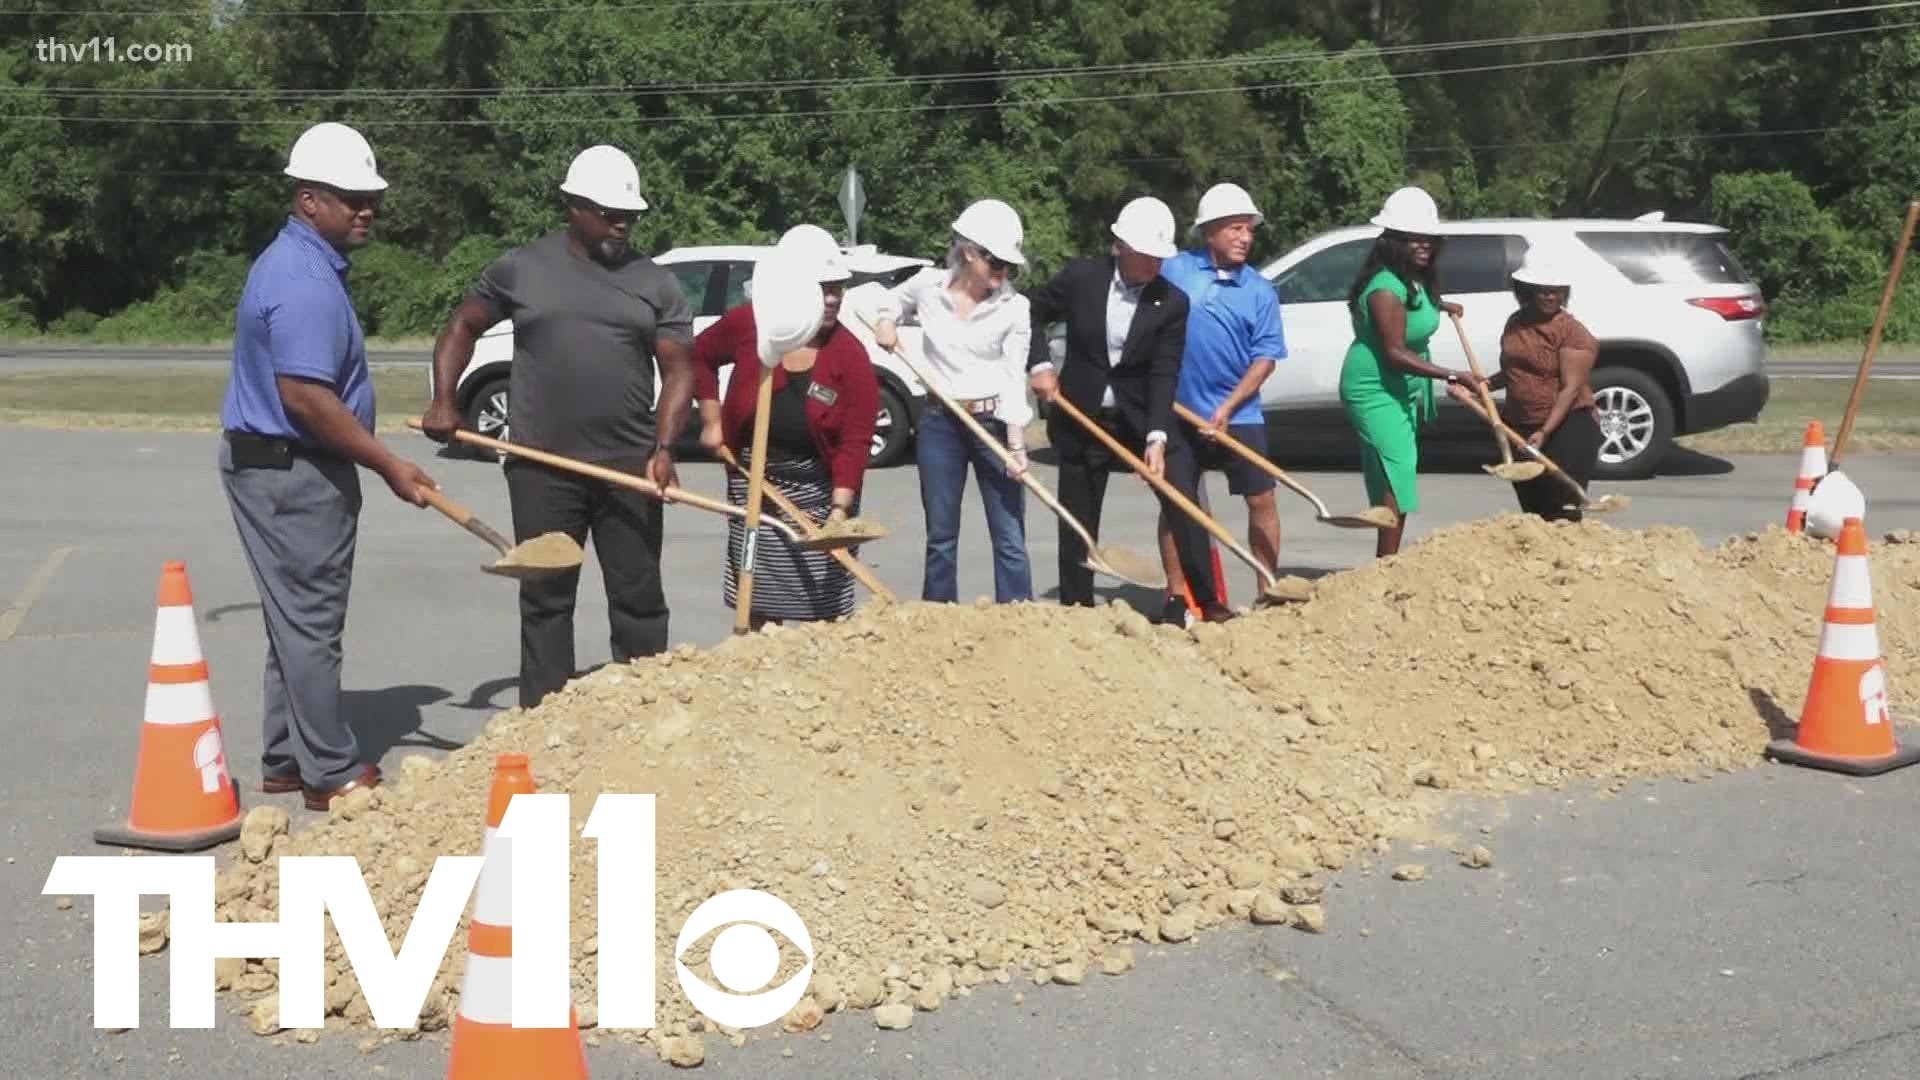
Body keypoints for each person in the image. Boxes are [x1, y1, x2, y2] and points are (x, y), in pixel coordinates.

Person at [421, 144, 697, 709]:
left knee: (639, 599)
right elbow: (461, 327)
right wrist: (444, 401)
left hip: (629, 467)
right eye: (609, 212)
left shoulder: (656, 283)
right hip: (541, 468)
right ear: (573, 206)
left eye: (630, 215)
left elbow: (678, 372)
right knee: (546, 599)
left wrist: (664, 447)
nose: (623, 223)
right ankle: (545, 720)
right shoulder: (522, 268)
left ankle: (645, 714)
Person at [219, 121, 436, 811]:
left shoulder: (296, 262)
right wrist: (389, 465)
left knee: (294, 618)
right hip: (294, 470)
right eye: (351, 197)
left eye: (370, 195)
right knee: (312, 619)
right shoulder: (305, 279)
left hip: (281, 465)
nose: (366, 207)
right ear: (310, 199)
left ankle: (286, 757)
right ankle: (330, 771)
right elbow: (307, 398)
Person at [1025, 196, 1234, 624]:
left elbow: (1164, 373)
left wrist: (1157, 437)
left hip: (1141, 416)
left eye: (1161, 257)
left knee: (1182, 496)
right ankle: (1077, 609)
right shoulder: (1082, 278)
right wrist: (1041, 364)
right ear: (1122, 246)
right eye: (1147, 255)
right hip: (1082, 413)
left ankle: (1203, 602)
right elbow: (1030, 309)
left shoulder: (1172, 302)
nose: (1155, 264)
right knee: (1076, 513)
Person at [694, 225, 879, 628]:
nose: (832, 299)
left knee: (822, 601)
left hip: (820, 490)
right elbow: (701, 355)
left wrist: (838, 509)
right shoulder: (751, 326)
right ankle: (752, 660)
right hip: (753, 480)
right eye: (822, 288)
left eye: (838, 289)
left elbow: (856, 439)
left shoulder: (849, 355)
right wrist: (711, 419)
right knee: (755, 589)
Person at [870, 199, 1035, 604]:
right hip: (940, 422)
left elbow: (1015, 378)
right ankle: (938, 617)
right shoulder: (928, 286)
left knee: (1009, 534)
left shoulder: (1014, 308)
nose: (1003, 273)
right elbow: (883, 300)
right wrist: (887, 321)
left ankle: (1019, 618)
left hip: (992, 423)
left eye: (1008, 266)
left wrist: (1016, 443)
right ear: (968, 252)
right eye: (995, 262)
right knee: (941, 534)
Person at [1339, 185, 1486, 558]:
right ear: (1392, 240)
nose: (1423, 245)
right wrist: (1452, 375)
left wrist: (1442, 305)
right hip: (1375, 385)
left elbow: (1419, 305)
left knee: (1389, 469)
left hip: (1401, 385)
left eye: (1429, 239)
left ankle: (1385, 560)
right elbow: (1395, 353)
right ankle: (1388, 564)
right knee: (1397, 468)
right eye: (1412, 239)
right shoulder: (1385, 288)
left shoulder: (1411, 278)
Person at [1156, 182, 1287, 602]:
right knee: (1177, 504)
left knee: (1262, 499)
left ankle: (1268, 593)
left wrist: (1229, 408)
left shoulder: (1259, 291)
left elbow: (1265, 358)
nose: (1245, 238)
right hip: (1179, 411)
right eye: (1234, 229)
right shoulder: (1174, 271)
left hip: (1239, 415)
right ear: (1208, 231)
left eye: (1249, 229)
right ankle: (1181, 597)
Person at [1485, 246, 1601, 521]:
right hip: (1520, 427)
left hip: (1567, 428)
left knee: (1561, 512)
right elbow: (1513, 371)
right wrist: (1480, 385)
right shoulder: (1515, 323)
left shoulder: (1572, 332)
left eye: (1557, 289)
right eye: (1542, 289)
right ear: (1526, 289)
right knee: (1533, 512)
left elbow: (1571, 388)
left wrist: (1545, 432)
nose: (1551, 295)